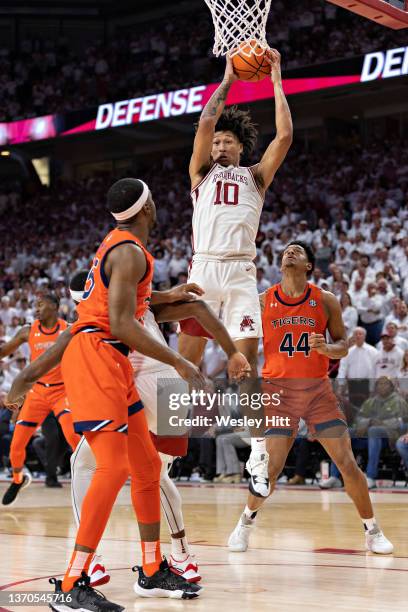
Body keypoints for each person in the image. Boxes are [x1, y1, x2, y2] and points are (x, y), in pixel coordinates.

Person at [8, 270, 250, 588]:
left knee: (83, 464)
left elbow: (42, 368)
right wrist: (232, 351)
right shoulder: (140, 301)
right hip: (173, 390)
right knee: (156, 475)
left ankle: (88, 564)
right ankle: (181, 557)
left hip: (139, 384)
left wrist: (16, 391)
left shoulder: (94, 319)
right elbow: (198, 308)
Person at [228, 241, 393, 555]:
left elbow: (344, 343)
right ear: (280, 264)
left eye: (297, 251)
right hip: (278, 393)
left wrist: (327, 349)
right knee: (270, 470)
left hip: (317, 390)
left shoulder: (325, 300)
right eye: (286, 250)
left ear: (309, 266)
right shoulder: (262, 301)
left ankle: (372, 530)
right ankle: (244, 524)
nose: (290, 252)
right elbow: (243, 347)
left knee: (346, 462)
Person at [178, 49, 293, 498]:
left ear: (242, 147)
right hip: (204, 270)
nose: (220, 145)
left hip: (242, 274)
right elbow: (205, 122)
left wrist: (277, 76)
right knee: (185, 362)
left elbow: (284, 135)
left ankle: (259, 453)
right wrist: (226, 81)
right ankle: (168, 448)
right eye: (216, 141)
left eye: (228, 141)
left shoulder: (256, 177)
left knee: (244, 368)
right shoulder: (200, 172)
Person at [0, 294, 80, 505]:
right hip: (37, 393)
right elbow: (3, 351)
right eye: (34, 305)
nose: (35, 309)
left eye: (40, 305)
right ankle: (18, 479)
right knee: (16, 445)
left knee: (73, 435)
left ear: (54, 307)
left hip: (62, 392)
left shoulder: (69, 329)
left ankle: (86, 475)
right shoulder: (28, 330)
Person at [322, 378, 408, 490]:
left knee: (374, 431)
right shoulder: (370, 402)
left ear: (391, 387)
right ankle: (335, 477)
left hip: (388, 437)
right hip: (368, 435)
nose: (382, 386)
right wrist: (368, 422)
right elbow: (359, 419)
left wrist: (380, 424)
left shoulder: (399, 401)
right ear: (376, 387)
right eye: (379, 384)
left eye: (385, 384)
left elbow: (402, 422)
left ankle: (371, 477)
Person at [337, 327, 378, 407]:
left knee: (367, 406)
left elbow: (376, 369)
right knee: (353, 406)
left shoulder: (373, 351)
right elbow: (343, 368)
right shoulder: (348, 352)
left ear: (364, 336)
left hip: (367, 383)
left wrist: (374, 386)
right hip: (352, 384)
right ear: (353, 336)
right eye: (356, 334)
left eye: (360, 334)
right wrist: (340, 384)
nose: (358, 336)